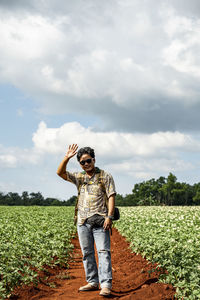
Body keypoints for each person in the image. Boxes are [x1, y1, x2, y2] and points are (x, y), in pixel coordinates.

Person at [57, 144, 116, 297]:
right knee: (87, 253)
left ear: (94, 160)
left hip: (100, 220)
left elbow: (111, 196)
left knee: (103, 252)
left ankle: (105, 284)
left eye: (88, 161)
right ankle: (92, 281)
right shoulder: (79, 177)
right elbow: (60, 172)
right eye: (82, 162)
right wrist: (67, 157)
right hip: (82, 221)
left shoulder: (105, 176)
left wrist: (109, 217)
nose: (86, 164)